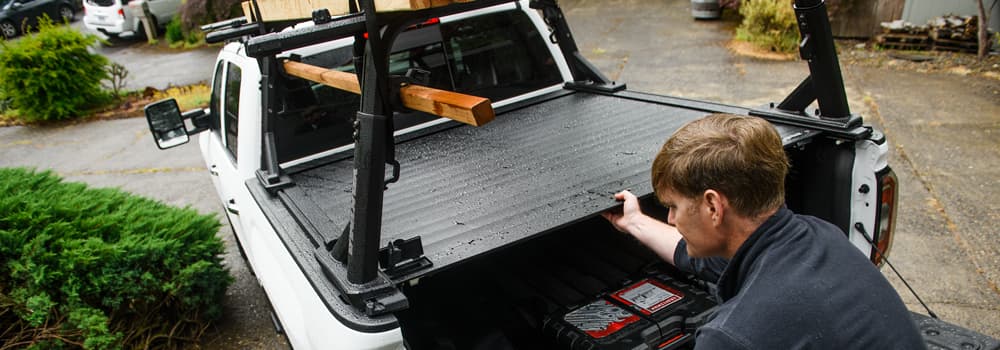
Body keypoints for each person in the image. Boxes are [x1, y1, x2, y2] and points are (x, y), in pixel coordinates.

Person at [602, 114, 925, 349]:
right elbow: (697, 256)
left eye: (673, 206)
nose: (671, 219)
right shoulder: (819, 236)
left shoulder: (733, 337)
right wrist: (634, 222)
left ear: (713, 207)